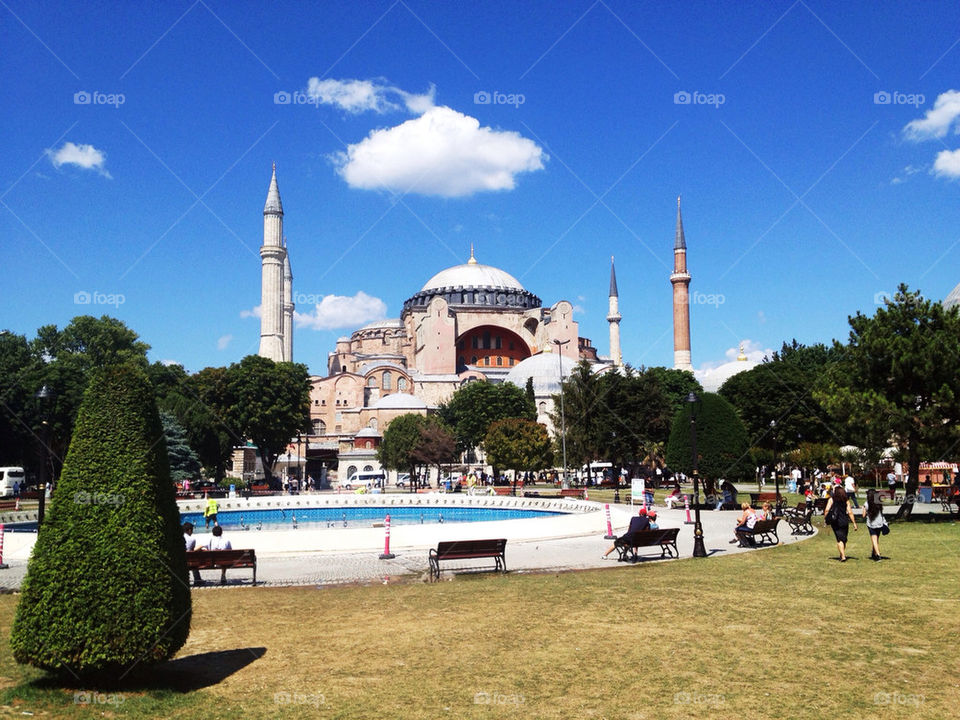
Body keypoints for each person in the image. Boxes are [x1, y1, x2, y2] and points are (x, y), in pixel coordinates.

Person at [824, 485, 858, 562]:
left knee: (839, 539)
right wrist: (854, 523)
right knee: (843, 539)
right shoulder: (846, 501)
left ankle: (842, 556)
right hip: (844, 521)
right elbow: (850, 512)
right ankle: (842, 555)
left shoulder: (831, 500)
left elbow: (826, 510)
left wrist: (826, 519)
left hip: (835, 521)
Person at [863, 489, 888, 561]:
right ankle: (874, 553)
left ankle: (878, 555)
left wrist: (863, 508)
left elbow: (863, 515)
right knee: (876, 539)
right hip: (879, 523)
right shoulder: (879, 502)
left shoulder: (867, 503)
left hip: (871, 524)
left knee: (874, 539)